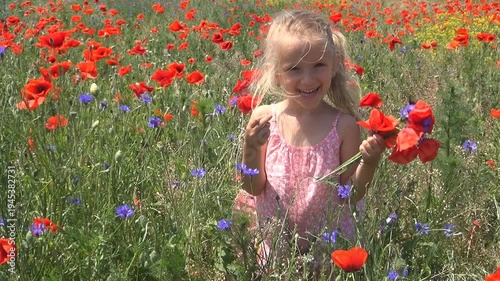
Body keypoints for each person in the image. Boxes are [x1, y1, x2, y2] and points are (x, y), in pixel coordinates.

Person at [233, 9, 386, 278]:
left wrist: (369, 163)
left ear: (335, 64)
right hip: (276, 249)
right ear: (276, 74)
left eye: (318, 65)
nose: (307, 79)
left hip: (326, 248)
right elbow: (252, 187)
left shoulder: (344, 126)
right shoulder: (265, 118)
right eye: (294, 69)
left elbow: (351, 195)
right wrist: (251, 147)